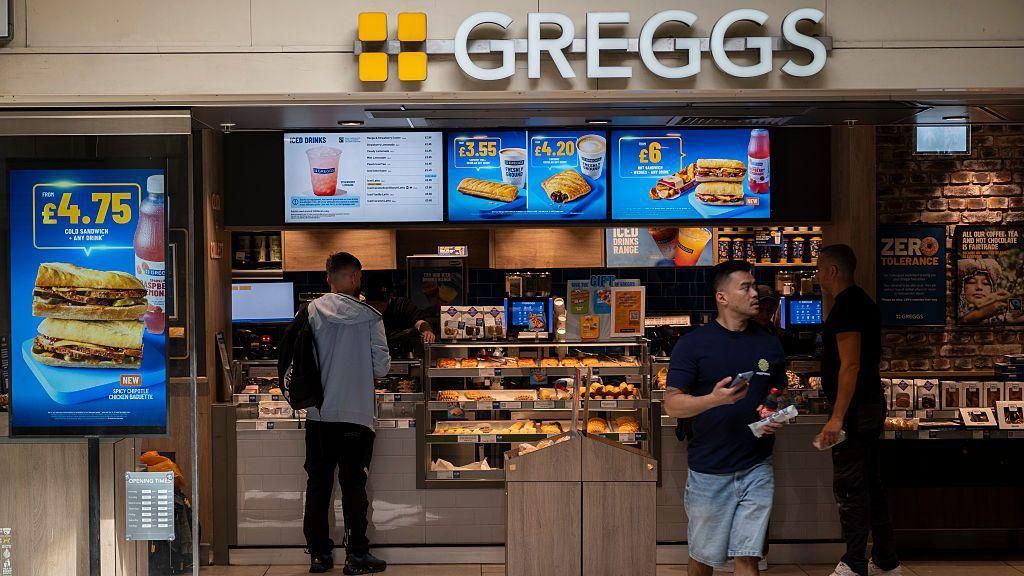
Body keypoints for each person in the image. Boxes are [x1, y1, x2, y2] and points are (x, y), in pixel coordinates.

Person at [663, 260, 787, 576]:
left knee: (748, 557)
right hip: (709, 470)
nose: (754, 292)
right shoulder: (693, 344)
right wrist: (712, 399)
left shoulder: (768, 342)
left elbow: (776, 391)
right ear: (722, 297)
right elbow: (672, 405)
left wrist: (772, 412)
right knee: (704, 557)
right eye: (744, 287)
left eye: (754, 285)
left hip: (756, 466)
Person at [302, 252, 390, 575]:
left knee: (318, 485)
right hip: (356, 415)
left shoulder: (310, 312)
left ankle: (319, 556)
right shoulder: (370, 317)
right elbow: (381, 368)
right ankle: (356, 556)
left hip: (319, 416)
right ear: (354, 279)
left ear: (330, 277)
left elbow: (299, 362)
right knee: (354, 487)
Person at [815, 244, 901, 576]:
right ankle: (885, 559)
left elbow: (849, 366)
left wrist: (837, 418)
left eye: (821, 267)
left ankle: (854, 562)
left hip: (856, 410)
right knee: (871, 483)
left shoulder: (848, 307)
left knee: (851, 486)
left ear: (834, 271)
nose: (818, 273)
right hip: (868, 405)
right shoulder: (862, 302)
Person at [364, 275, 437, 356]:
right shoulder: (361, 309)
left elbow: (420, 322)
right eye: (372, 304)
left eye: (380, 303)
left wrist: (427, 331)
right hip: (370, 355)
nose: (376, 308)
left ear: (390, 297)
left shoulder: (402, 305)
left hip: (401, 355)